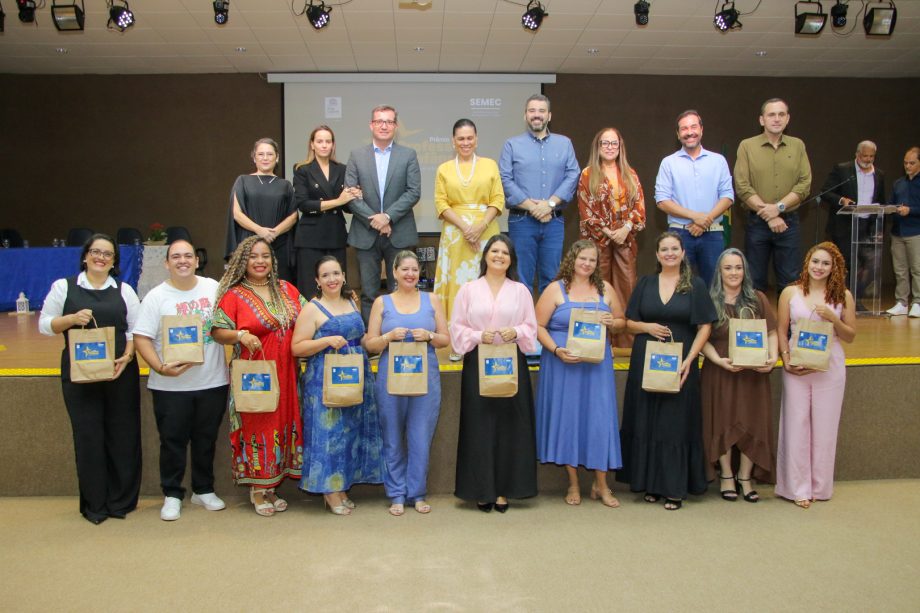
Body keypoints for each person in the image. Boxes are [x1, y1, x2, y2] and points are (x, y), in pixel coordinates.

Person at [38, 233, 141, 524]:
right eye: (96, 252)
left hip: (119, 372)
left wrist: (129, 355)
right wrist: (70, 320)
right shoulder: (64, 287)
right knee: (88, 438)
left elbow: (135, 330)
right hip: (80, 375)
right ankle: (95, 504)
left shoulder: (124, 290)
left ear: (114, 262)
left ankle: (121, 501)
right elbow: (45, 325)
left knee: (123, 437)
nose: (101, 257)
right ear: (85, 256)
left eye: (107, 254)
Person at [616, 231, 716, 511]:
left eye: (675, 248)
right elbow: (627, 322)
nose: (670, 253)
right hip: (645, 361)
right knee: (647, 421)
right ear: (657, 255)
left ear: (683, 253)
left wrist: (690, 360)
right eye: (664, 249)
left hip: (680, 363)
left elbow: (705, 326)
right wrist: (647, 327)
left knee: (673, 424)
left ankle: (673, 487)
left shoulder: (694, 284)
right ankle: (650, 483)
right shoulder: (645, 283)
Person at [132, 239, 229, 521]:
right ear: (167, 263)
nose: (183, 261)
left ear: (197, 261)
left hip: (212, 381)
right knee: (172, 441)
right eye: (176, 256)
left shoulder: (214, 289)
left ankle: (203, 489)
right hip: (169, 386)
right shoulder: (156, 297)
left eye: (188, 256)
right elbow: (141, 337)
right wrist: (160, 367)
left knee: (205, 440)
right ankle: (172, 494)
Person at [211, 236, 304, 517]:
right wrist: (240, 334)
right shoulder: (234, 295)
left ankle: (272, 486)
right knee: (258, 423)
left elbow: (312, 314)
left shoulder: (286, 289)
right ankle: (257, 489)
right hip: (255, 374)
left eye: (265, 256)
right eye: (253, 256)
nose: (260, 261)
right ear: (243, 261)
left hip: (288, 371)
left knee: (283, 421)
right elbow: (216, 330)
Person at [449, 234, 538, 512]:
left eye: (505, 253)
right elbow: (457, 328)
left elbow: (531, 327)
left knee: (511, 428)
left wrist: (517, 331)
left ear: (511, 259)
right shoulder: (468, 290)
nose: (499, 256)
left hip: (511, 362)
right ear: (486, 255)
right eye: (495, 251)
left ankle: (504, 490)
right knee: (479, 427)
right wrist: (478, 335)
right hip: (478, 361)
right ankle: (482, 489)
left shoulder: (521, 290)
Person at [534, 239, 626, 508]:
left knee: (599, 420)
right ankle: (573, 483)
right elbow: (538, 326)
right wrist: (556, 350)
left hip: (597, 367)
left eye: (592, 260)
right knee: (568, 421)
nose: (587, 264)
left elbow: (622, 323)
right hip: (563, 364)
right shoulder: (555, 289)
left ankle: (602, 484)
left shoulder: (605, 288)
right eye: (582, 258)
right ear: (572, 260)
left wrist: (613, 322)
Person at [291, 256, 384, 515]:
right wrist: (325, 341)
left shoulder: (351, 302)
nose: (332, 279)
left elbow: (361, 337)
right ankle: (329, 491)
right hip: (324, 380)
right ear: (317, 281)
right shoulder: (312, 309)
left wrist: (382, 340)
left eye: (336, 273)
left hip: (355, 376)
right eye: (325, 275)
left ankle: (341, 486)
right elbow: (297, 347)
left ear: (343, 276)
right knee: (328, 435)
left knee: (349, 433)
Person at [366, 251, 450, 516]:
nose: (410, 274)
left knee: (420, 437)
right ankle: (397, 494)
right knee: (391, 437)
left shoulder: (432, 300)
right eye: (405, 269)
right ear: (394, 271)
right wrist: (388, 336)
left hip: (426, 379)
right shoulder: (382, 303)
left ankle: (417, 492)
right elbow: (369, 343)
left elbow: (445, 339)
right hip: (390, 379)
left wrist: (430, 335)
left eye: (414, 269)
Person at [776, 242, 856, 508]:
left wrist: (833, 319)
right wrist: (786, 360)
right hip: (797, 364)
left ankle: (820, 487)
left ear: (834, 268)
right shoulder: (790, 292)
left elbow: (850, 336)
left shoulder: (842, 296)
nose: (819, 268)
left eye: (825, 263)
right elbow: (781, 329)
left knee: (825, 428)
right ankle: (797, 488)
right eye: (815, 262)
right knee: (795, 425)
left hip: (829, 365)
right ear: (807, 263)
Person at [700, 248, 777, 503]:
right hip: (720, 370)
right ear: (719, 272)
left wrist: (773, 358)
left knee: (751, 420)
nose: (734, 273)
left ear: (745, 271)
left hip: (752, 374)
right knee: (721, 420)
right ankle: (726, 475)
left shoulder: (758, 299)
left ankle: (745, 477)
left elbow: (772, 333)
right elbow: (701, 339)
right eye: (728, 268)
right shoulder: (709, 300)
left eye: (738, 267)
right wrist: (717, 361)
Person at [345, 105, 422, 322]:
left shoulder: (408, 155)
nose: (384, 125)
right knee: (368, 293)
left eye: (389, 121)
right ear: (371, 125)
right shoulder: (356, 156)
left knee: (399, 290)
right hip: (365, 234)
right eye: (379, 121)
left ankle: (397, 338)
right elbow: (351, 194)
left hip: (398, 233)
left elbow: (413, 192)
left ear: (396, 126)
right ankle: (372, 341)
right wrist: (376, 220)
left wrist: (387, 217)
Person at [499, 94, 580, 294]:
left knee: (552, 278)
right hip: (522, 222)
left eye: (541, 111)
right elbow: (505, 179)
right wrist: (533, 207)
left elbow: (573, 174)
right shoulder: (512, 145)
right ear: (525, 115)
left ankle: (546, 325)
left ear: (549, 116)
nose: (537, 115)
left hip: (553, 222)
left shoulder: (564, 143)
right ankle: (522, 325)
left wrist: (549, 204)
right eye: (532, 111)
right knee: (520, 279)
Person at [577, 126, 646, 351]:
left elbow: (639, 207)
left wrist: (625, 229)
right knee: (598, 289)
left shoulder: (630, 173)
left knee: (627, 288)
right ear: (598, 147)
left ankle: (626, 345)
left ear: (620, 147)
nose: (609, 147)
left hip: (625, 240)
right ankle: (598, 342)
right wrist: (608, 231)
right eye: (605, 143)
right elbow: (585, 210)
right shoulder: (588, 174)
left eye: (613, 143)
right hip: (598, 243)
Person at [734, 98, 812, 292]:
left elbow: (805, 184)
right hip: (757, 223)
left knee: (790, 281)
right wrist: (769, 215)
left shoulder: (798, 146)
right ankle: (755, 323)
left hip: (789, 223)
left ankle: (787, 324)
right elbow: (742, 186)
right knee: (754, 281)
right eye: (771, 115)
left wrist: (778, 208)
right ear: (762, 120)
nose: (776, 119)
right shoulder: (747, 146)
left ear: (787, 119)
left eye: (781, 114)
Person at [433, 118, 504, 330]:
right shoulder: (444, 169)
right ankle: (457, 334)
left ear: (477, 139)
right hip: (455, 234)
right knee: (458, 283)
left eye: (470, 138)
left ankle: (489, 330)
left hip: (487, 230)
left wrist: (480, 227)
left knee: (487, 277)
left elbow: (498, 199)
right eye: (461, 138)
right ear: (453, 141)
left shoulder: (490, 164)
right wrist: (466, 229)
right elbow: (440, 203)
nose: (466, 142)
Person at [654, 110, 734, 287]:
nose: (689, 132)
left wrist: (705, 220)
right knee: (678, 285)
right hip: (680, 235)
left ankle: (712, 317)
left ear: (702, 130)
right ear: (678, 134)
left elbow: (728, 196)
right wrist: (695, 216)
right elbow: (662, 200)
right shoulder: (669, 163)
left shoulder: (718, 161)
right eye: (684, 129)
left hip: (713, 234)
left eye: (693, 127)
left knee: (714, 287)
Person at [292, 125, 361, 299]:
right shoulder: (302, 169)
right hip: (310, 237)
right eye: (319, 141)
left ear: (333, 145)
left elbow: (346, 206)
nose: (324, 145)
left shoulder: (342, 169)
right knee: (309, 288)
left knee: (336, 285)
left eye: (328, 141)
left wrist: (355, 196)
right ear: (312, 145)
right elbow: (303, 204)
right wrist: (338, 201)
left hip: (335, 234)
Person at [225, 137, 298, 282]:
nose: (265, 158)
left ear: (277, 158)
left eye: (270, 154)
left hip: (279, 244)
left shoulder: (285, 185)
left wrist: (274, 232)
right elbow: (237, 214)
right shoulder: (242, 181)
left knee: (279, 288)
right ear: (254, 157)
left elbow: (293, 216)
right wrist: (260, 231)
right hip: (249, 243)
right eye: (261, 154)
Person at [820, 141, 886, 285]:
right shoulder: (843, 169)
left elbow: (881, 202)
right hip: (844, 226)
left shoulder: (879, 175)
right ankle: (840, 298)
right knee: (845, 264)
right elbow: (825, 192)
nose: (868, 160)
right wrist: (842, 199)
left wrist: (878, 229)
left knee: (865, 265)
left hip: (866, 226)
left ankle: (856, 299)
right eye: (864, 156)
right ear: (857, 154)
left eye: (871, 156)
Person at [886, 146, 920, 318]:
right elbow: (890, 203)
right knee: (900, 269)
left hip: (916, 231)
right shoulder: (898, 183)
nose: (908, 166)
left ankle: (918, 302)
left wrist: (911, 210)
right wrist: (890, 209)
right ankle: (901, 302)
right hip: (897, 231)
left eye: (912, 163)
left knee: (917, 269)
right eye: (906, 163)